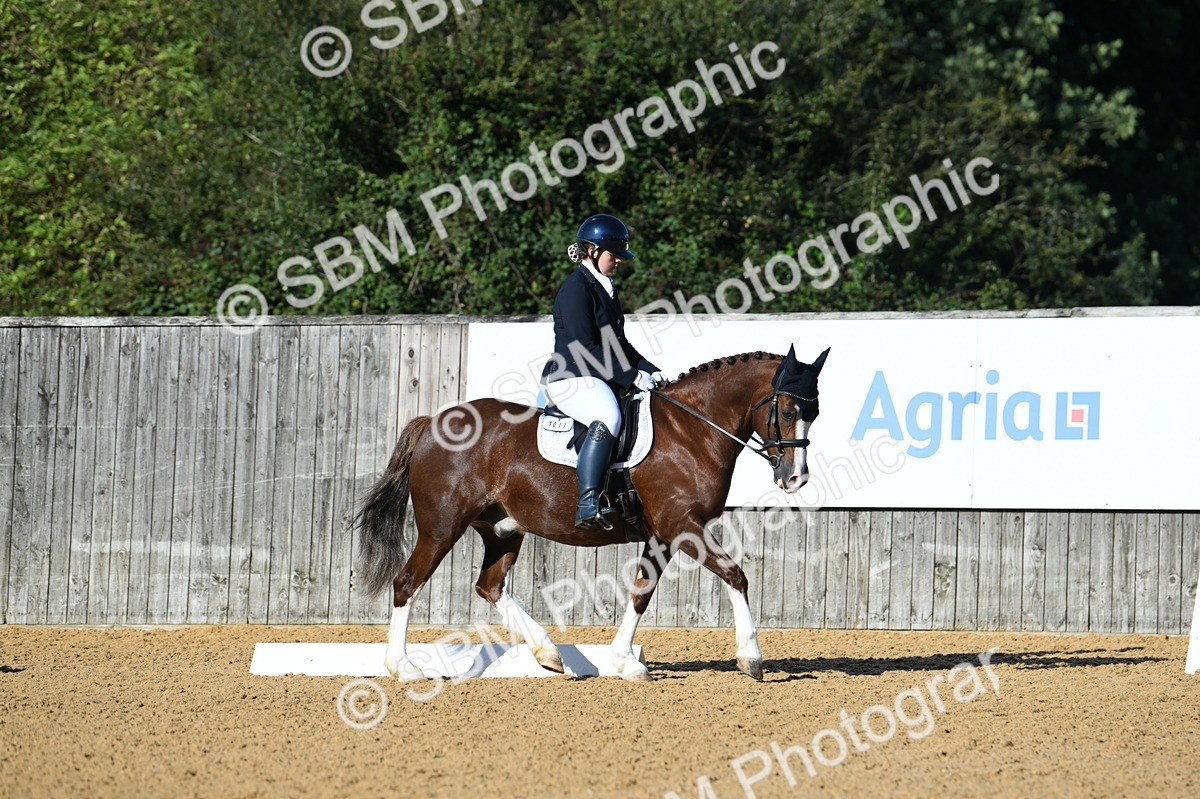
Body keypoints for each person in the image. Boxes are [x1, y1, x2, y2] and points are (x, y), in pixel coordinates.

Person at [540, 214, 667, 529]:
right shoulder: (576, 288)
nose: (620, 261)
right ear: (592, 251)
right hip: (571, 376)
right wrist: (630, 377)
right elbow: (586, 347)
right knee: (609, 417)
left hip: (596, 374)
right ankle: (588, 502)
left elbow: (619, 345)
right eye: (615, 254)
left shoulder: (605, 289)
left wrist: (652, 371)